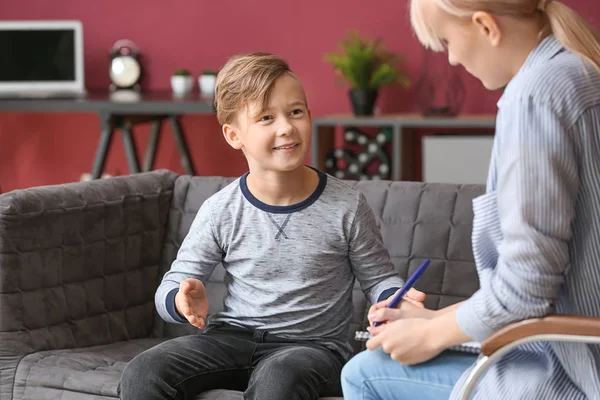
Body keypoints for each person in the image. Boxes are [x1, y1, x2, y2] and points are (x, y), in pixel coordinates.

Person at [118, 52, 425, 400]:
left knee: (279, 379)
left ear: (309, 115)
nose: (286, 127)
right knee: (144, 372)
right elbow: (169, 287)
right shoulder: (220, 209)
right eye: (266, 117)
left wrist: (395, 299)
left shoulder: (347, 204)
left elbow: (380, 279)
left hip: (314, 349)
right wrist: (180, 298)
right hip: (231, 338)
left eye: (295, 112)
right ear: (234, 135)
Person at [341, 0, 600, 399]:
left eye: (446, 41)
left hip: (570, 370)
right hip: (566, 344)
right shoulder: (578, 70)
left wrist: (430, 334)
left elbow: (527, 289)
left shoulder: (535, 97)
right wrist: (436, 318)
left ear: (485, 26)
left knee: (365, 374)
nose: (454, 58)